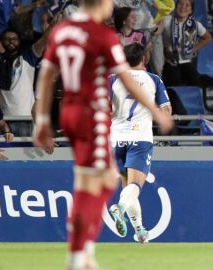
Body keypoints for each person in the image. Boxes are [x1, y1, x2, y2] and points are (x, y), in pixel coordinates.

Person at [32, 1, 173, 269]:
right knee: (96, 186)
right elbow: (128, 79)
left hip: (71, 113)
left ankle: (88, 250)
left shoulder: (62, 31)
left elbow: (47, 74)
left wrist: (41, 119)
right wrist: (156, 112)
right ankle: (79, 255)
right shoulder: (102, 36)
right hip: (92, 117)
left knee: (100, 179)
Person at [108, 42, 172, 243]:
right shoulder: (153, 80)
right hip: (139, 138)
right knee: (135, 185)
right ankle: (120, 208)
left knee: (127, 187)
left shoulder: (112, 79)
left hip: (116, 138)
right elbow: (166, 110)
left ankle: (140, 231)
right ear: (144, 59)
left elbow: (104, 108)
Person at [0, 27, 49, 136]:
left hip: (24, 120)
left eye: (14, 39)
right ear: (1, 41)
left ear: (20, 41)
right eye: (7, 39)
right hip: (0, 121)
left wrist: (54, 25)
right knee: (2, 153)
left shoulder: (28, 57)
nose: (11, 41)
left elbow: (45, 39)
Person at [161, 0, 212, 86]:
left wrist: (193, 48)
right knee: (173, 77)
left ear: (191, 10)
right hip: (169, 62)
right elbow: (156, 37)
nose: (183, 7)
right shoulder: (167, 20)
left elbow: (208, 38)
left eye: (187, 5)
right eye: (180, 4)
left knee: (195, 80)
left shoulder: (194, 24)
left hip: (186, 62)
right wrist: (165, 49)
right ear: (176, 6)